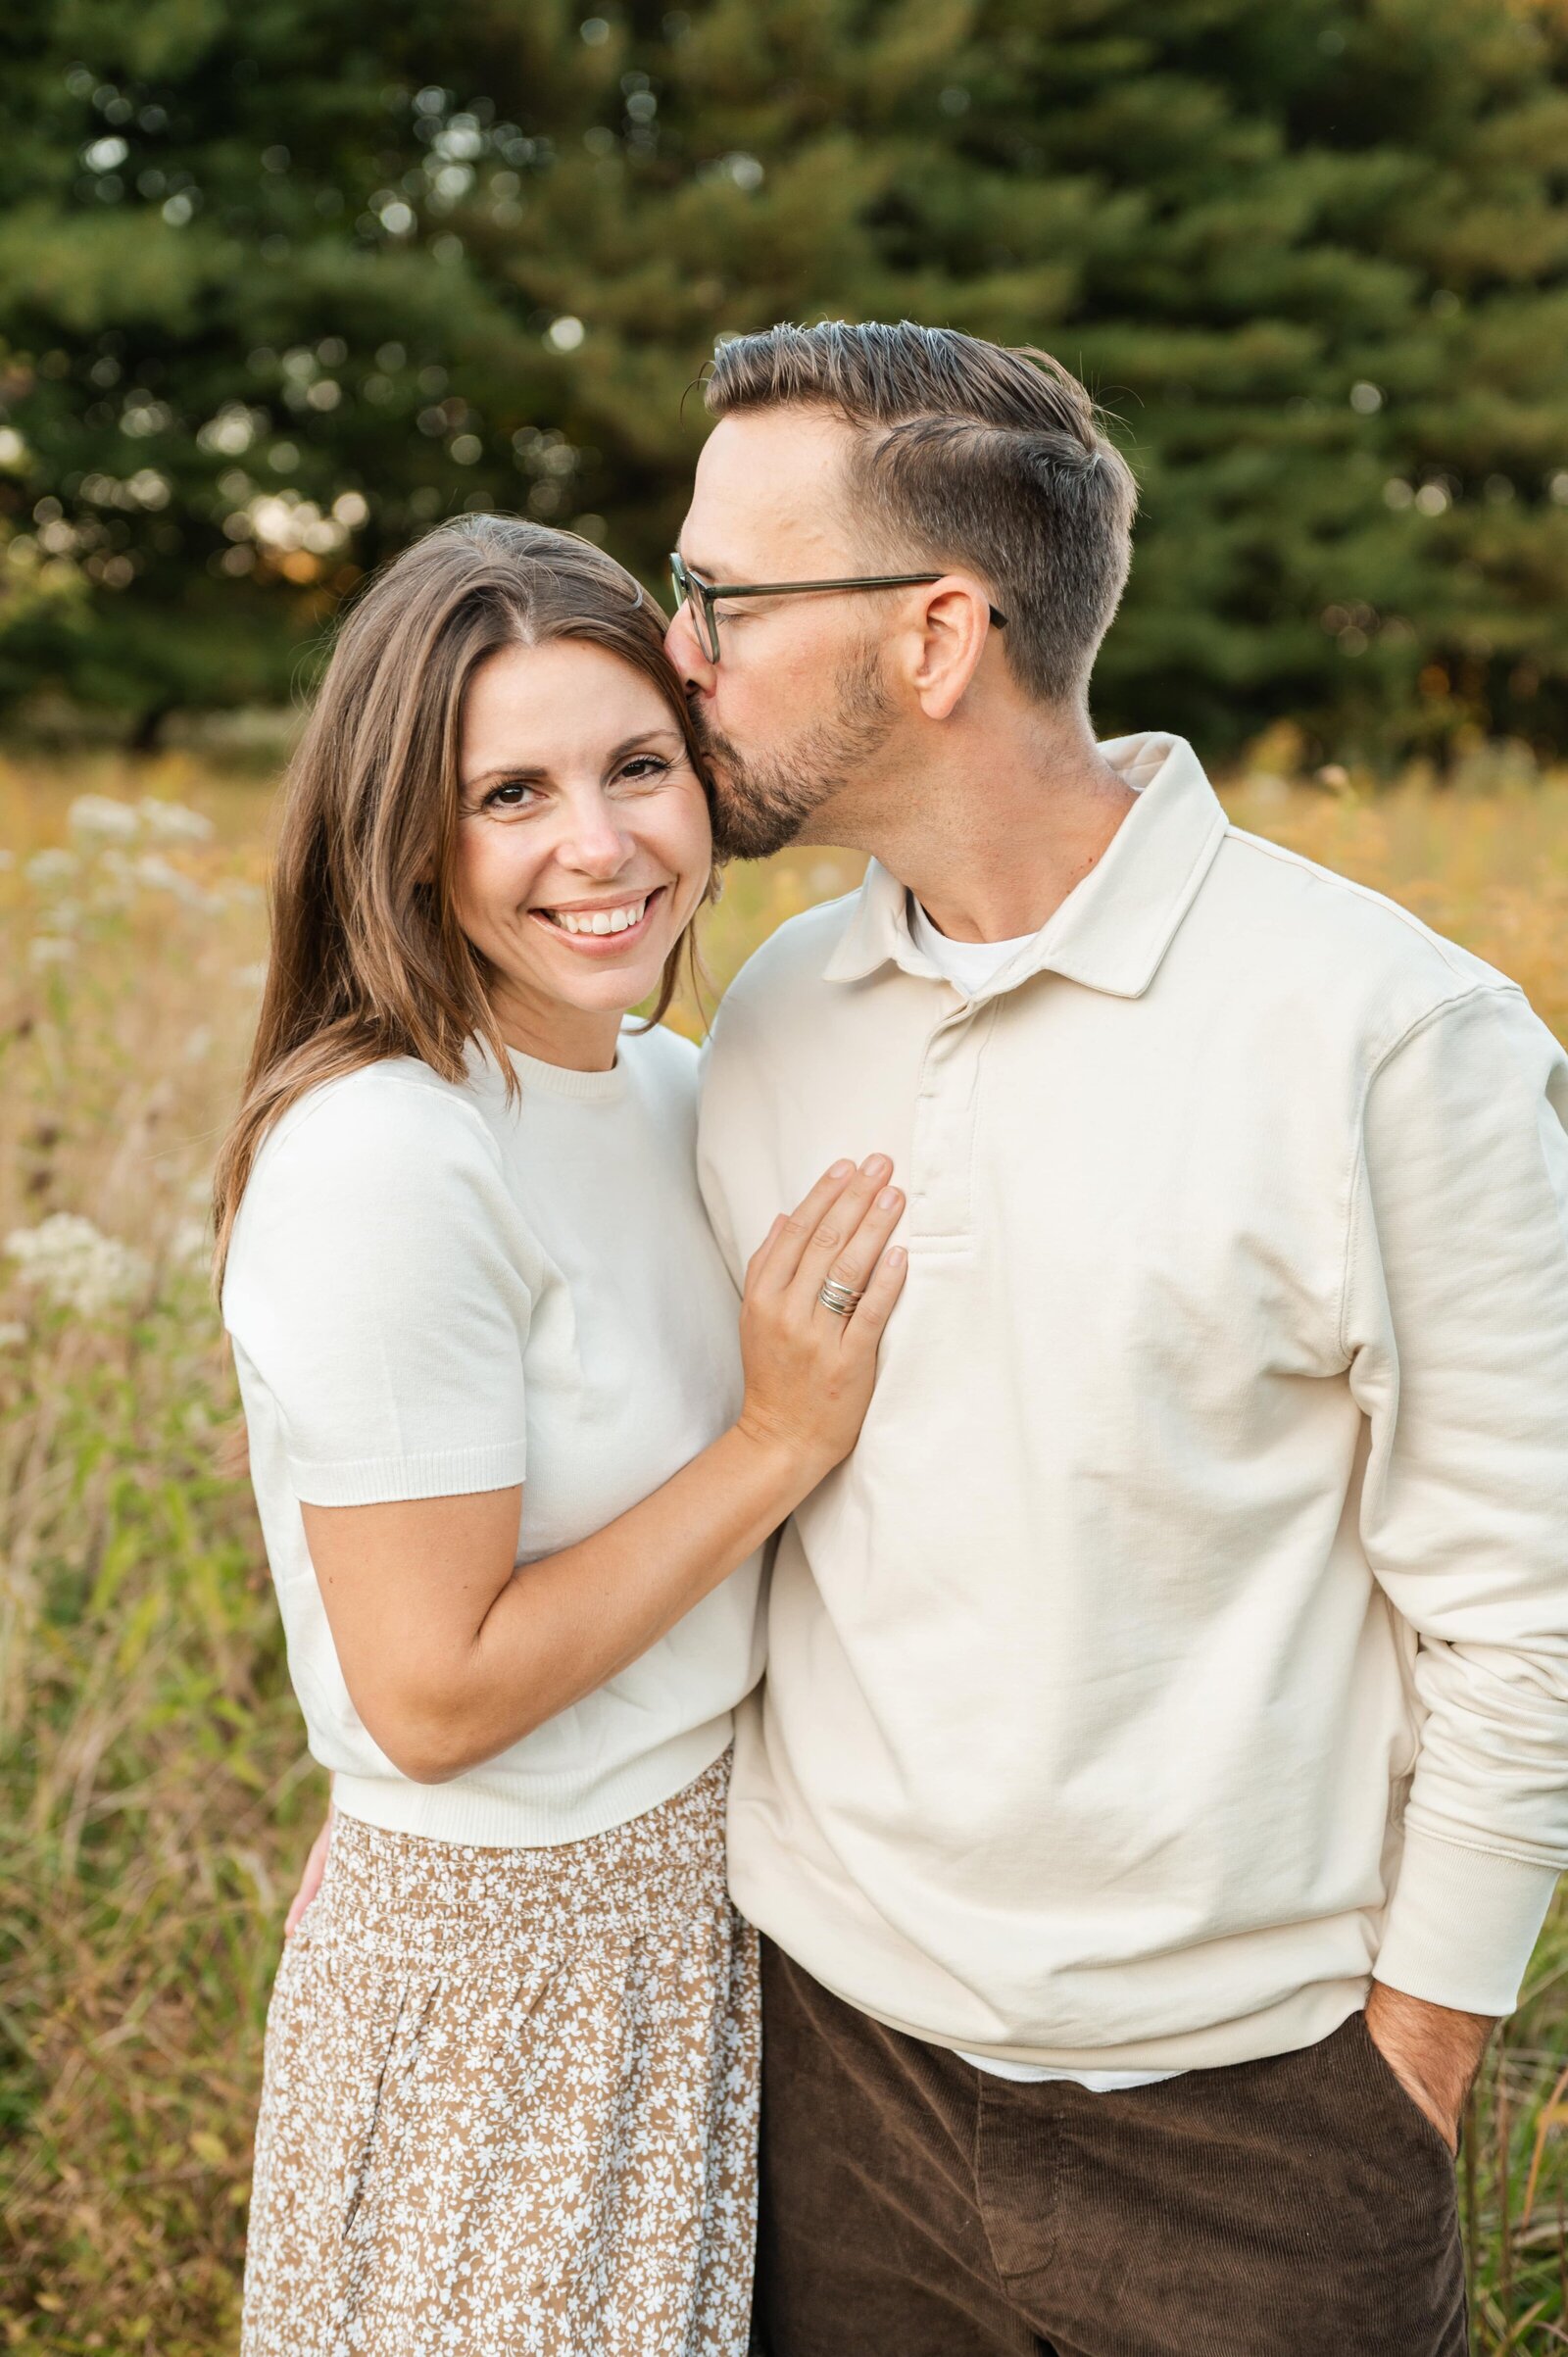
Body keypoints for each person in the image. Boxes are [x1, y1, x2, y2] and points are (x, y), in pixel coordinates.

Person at [671, 321, 1568, 2356]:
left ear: (934, 634)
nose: (679, 650)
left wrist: (1397, 2084)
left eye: (721, 594)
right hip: (834, 2079)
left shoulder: (1382, 1039)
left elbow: (1523, 1615)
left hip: (1256, 2137)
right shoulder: (772, 1014)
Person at [215, 514, 907, 2357]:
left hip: (701, 1924)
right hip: (503, 1976)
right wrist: (775, 1443)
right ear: (401, 831)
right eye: (506, 790)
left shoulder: (678, 1087)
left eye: (635, 768)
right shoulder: (387, 1152)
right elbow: (432, 1693)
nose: (596, 846)